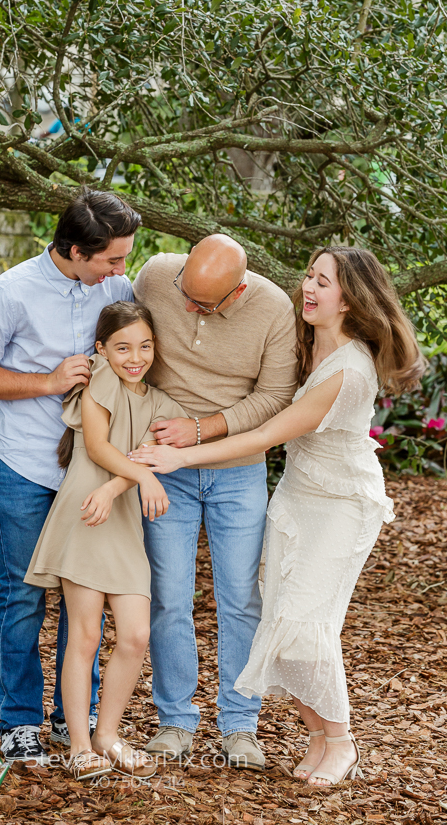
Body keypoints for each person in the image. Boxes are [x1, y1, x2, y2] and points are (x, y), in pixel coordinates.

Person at [130, 246, 425, 785]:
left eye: (325, 282)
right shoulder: (308, 337)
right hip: (296, 494)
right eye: (310, 275)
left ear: (352, 298)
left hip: (337, 503)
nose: (309, 287)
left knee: (305, 623)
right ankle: (314, 738)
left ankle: (335, 740)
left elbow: (269, 430)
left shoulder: (348, 368)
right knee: (278, 617)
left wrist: (184, 450)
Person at [0, 189, 141, 763]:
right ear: (76, 250)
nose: (121, 271)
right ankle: (19, 723)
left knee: (85, 603)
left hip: (89, 471)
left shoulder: (116, 288)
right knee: (26, 592)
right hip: (23, 464)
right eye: (111, 259)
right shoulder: (11, 292)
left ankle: (70, 718)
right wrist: (47, 381)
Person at [132, 234, 298, 770]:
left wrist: (201, 429)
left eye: (202, 304)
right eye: (186, 292)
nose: (185, 307)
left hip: (236, 472)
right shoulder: (158, 274)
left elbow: (275, 398)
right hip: (163, 470)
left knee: (241, 599)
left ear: (237, 292)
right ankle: (175, 721)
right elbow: (124, 347)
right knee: (169, 597)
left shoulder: (274, 309)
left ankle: (240, 724)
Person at [24, 302, 187, 780]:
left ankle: (107, 735)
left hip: (119, 517)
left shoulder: (158, 401)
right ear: (101, 349)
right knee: (87, 634)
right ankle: (79, 744)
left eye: (144, 346)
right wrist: (140, 476)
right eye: (122, 347)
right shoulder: (100, 380)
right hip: (86, 514)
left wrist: (125, 483)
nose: (134, 357)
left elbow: (153, 454)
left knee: (136, 635)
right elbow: (98, 447)